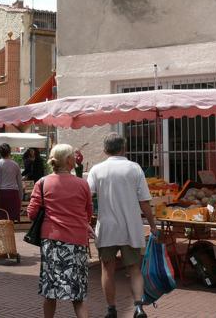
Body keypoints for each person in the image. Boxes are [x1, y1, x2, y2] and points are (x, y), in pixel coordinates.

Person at [87, 133, 157, 318]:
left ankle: (111, 309)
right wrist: (153, 225)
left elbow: (86, 196)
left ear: (104, 149)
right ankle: (139, 307)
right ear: (123, 148)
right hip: (131, 227)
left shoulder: (97, 169)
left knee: (107, 269)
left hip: (107, 228)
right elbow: (144, 202)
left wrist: (85, 220)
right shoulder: (134, 169)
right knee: (134, 268)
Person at [27, 144, 93, 318]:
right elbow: (88, 213)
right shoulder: (82, 184)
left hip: (51, 242)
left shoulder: (42, 183)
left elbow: (32, 213)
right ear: (70, 161)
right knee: (77, 296)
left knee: (50, 293)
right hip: (77, 242)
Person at [0, 143, 22, 221]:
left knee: (0, 219)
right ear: (9, 152)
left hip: (2, 194)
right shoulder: (16, 165)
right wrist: (20, 198)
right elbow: (20, 183)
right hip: (14, 194)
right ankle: (10, 233)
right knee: (10, 220)